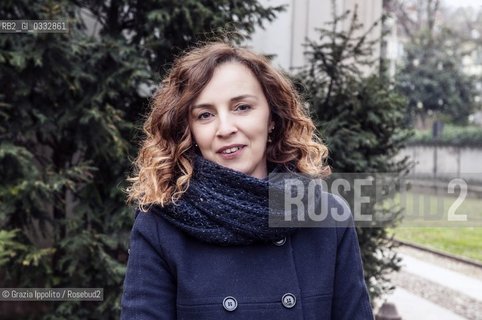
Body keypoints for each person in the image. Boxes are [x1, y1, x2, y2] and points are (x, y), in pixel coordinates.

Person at [121, 41, 374, 319]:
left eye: (242, 107)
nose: (226, 128)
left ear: (272, 118)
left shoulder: (327, 218)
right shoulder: (161, 224)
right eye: (205, 115)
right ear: (188, 131)